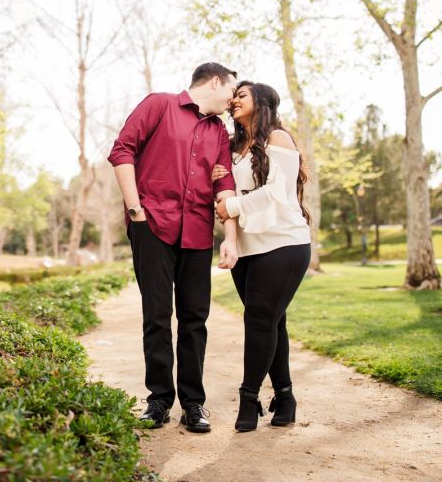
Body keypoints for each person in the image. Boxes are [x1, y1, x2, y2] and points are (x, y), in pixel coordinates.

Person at [108, 62, 239, 433]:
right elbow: (122, 151)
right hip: (152, 226)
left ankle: (193, 403)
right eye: (232, 91)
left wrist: (230, 238)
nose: (232, 101)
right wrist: (135, 210)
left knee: (195, 318)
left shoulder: (219, 131)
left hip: (197, 231)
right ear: (215, 82)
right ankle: (159, 400)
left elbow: (224, 186)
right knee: (157, 315)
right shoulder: (159, 105)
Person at [214, 80, 311, 432]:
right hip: (249, 248)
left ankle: (248, 398)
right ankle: (285, 397)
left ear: (262, 101)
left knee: (258, 320)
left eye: (242, 95)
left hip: (284, 243)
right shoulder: (232, 148)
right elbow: (224, 194)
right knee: (271, 321)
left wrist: (232, 205)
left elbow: (278, 192)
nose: (234, 100)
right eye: (233, 96)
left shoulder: (278, 139)